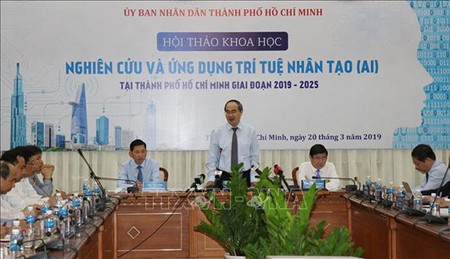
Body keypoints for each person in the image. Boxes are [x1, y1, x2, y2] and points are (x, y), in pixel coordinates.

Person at [205, 99, 259, 188]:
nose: (230, 115)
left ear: (241, 112)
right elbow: (213, 158)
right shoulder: (217, 132)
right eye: (227, 112)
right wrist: (211, 178)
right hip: (224, 175)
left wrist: (254, 178)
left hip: (245, 175)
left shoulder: (250, 131)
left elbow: (254, 158)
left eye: (234, 112)